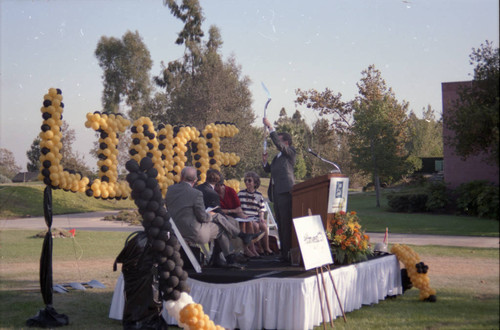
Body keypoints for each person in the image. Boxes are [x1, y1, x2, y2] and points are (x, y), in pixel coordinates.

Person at [165, 167, 264, 268]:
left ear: (181, 177)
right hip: (193, 232)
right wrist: (210, 215)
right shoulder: (196, 194)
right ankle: (231, 256)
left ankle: (240, 239)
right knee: (220, 226)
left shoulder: (170, 190)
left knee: (217, 217)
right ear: (195, 180)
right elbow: (203, 218)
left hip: (175, 230)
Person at [262, 117, 296, 262]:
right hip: (276, 192)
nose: (277, 143)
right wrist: (265, 162)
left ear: (286, 142)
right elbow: (270, 170)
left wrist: (270, 127)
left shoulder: (290, 152)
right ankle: (283, 253)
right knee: (280, 223)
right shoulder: (278, 157)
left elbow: (278, 143)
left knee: (286, 222)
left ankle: (288, 252)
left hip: (285, 191)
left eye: (280, 140)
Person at [215, 179, 260, 258]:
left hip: (235, 213)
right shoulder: (214, 193)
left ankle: (252, 248)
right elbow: (218, 210)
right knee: (241, 223)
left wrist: (243, 216)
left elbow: (238, 207)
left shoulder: (230, 191)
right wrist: (231, 211)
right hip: (224, 215)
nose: (219, 188)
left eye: (221, 186)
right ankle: (244, 249)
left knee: (248, 221)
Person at [238, 171, 274, 256]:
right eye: (246, 180)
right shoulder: (240, 194)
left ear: (255, 183)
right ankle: (257, 248)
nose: (247, 182)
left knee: (264, 226)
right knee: (255, 226)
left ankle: (266, 247)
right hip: (246, 218)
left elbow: (261, 209)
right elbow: (238, 207)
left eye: (249, 181)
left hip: (255, 217)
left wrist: (261, 217)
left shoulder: (259, 195)